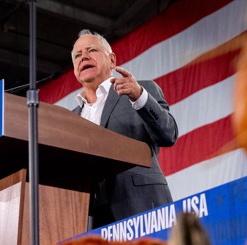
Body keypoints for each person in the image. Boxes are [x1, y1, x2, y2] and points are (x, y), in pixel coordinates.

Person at [71, 29, 178, 229]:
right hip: (90, 218)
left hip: (141, 207)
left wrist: (140, 97)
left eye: (91, 50)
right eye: (77, 55)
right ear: (75, 69)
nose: (83, 56)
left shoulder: (139, 91)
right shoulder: (70, 117)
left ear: (112, 60)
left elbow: (169, 133)